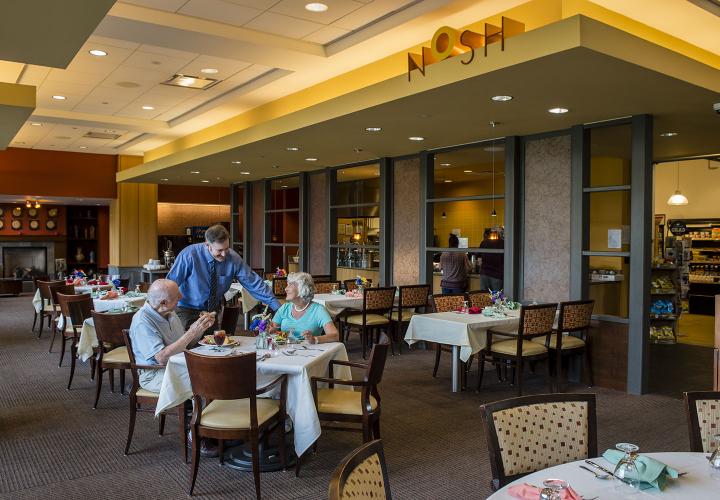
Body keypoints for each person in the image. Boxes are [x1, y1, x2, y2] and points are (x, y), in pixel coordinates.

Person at [167, 224, 281, 332]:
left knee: (212, 348)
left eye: (226, 248)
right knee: (187, 348)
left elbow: (253, 283)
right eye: (219, 250)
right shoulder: (189, 255)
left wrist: (277, 308)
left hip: (211, 313)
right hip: (187, 311)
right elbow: (170, 285)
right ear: (207, 245)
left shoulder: (233, 258)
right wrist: (164, 312)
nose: (224, 254)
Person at [128, 279, 215, 393]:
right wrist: (192, 332)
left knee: (214, 369)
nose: (181, 296)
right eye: (177, 296)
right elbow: (161, 358)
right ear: (163, 303)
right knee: (205, 377)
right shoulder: (142, 321)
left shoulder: (169, 312)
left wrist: (201, 327)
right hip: (154, 374)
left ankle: (203, 407)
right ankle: (200, 409)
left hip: (177, 365)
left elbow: (184, 344)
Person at [268, 272, 339, 344]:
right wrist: (267, 329)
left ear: (303, 288)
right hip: (285, 350)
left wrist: (314, 339)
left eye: (291, 285)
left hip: (310, 353)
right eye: (287, 285)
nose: (286, 289)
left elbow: (335, 335)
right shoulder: (285, 308)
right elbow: (272, 329)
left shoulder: (318, 310)